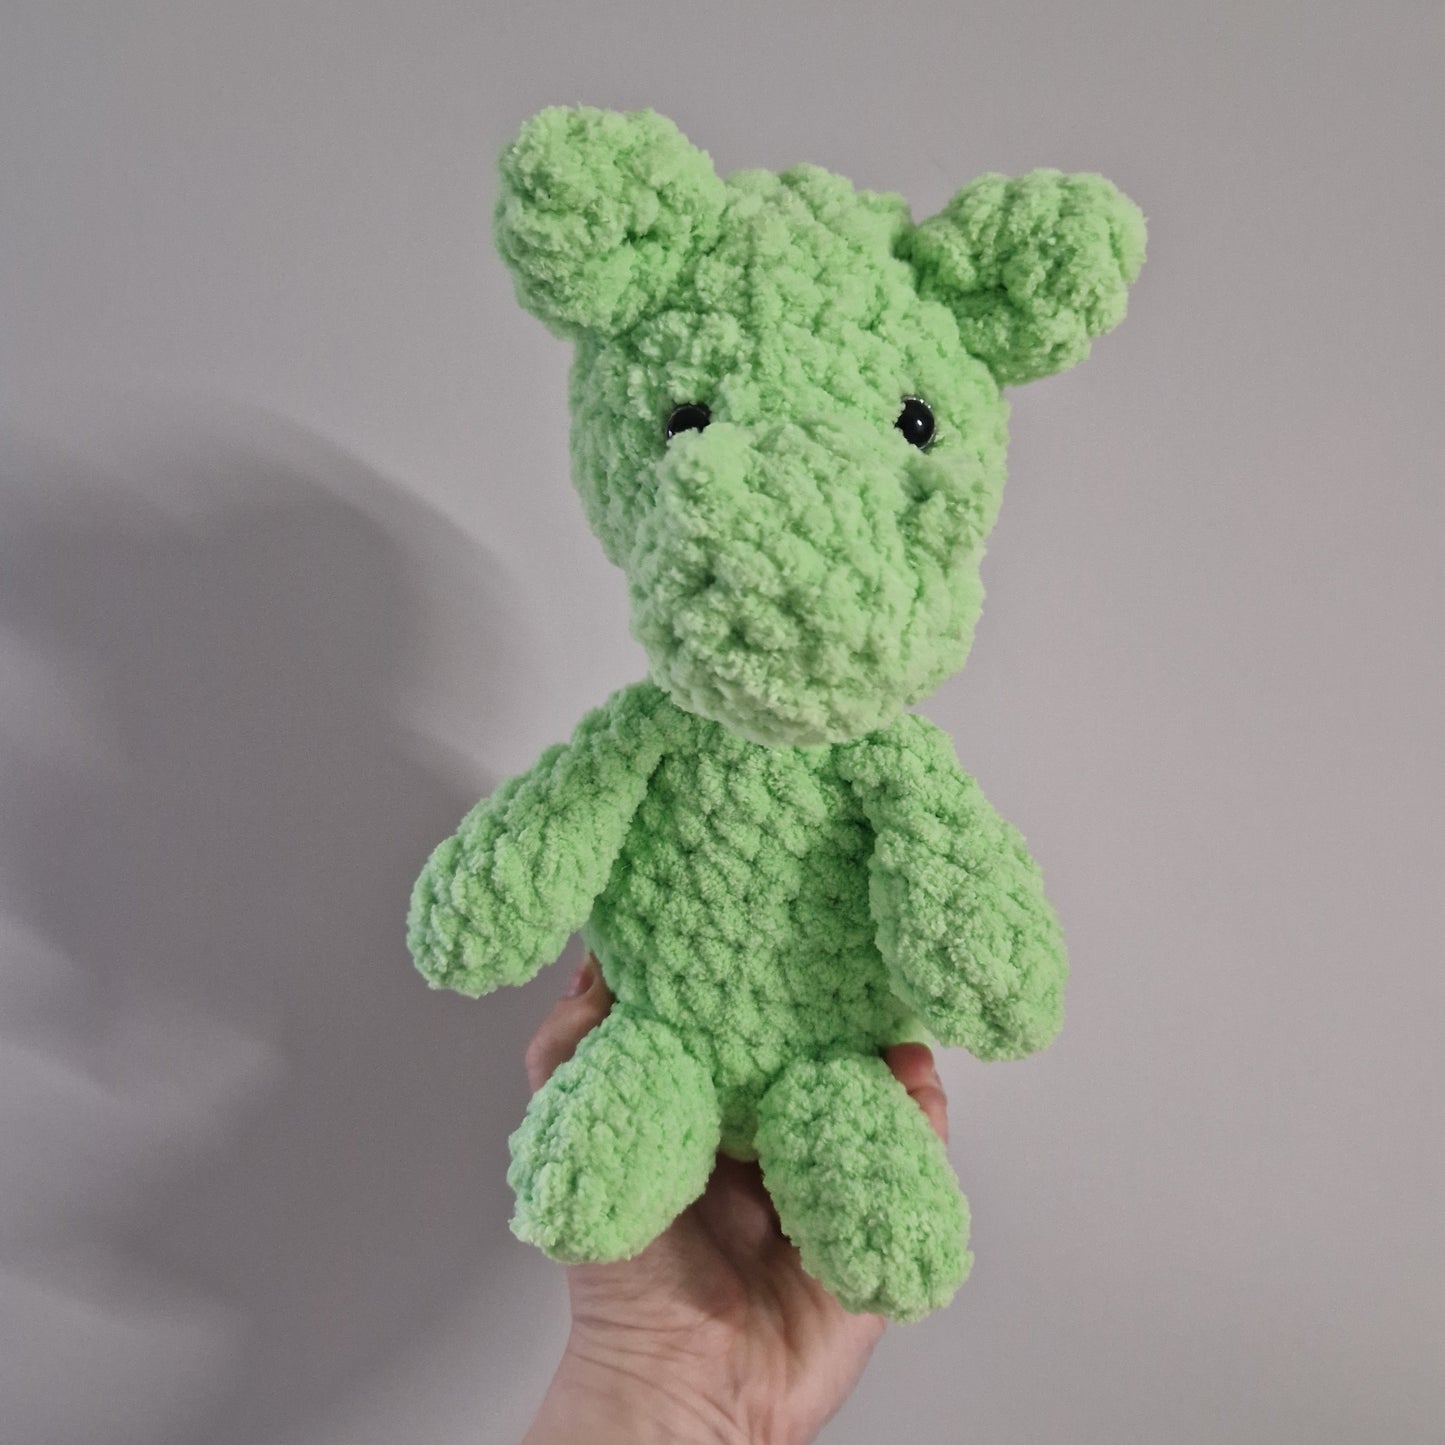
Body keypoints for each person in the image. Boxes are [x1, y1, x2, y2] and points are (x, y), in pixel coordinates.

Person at [521, 953, 952, 1445]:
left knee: (876, 1215)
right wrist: (649, 1361)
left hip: (832, 1067)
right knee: (601, 1170)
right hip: (662, 1039)